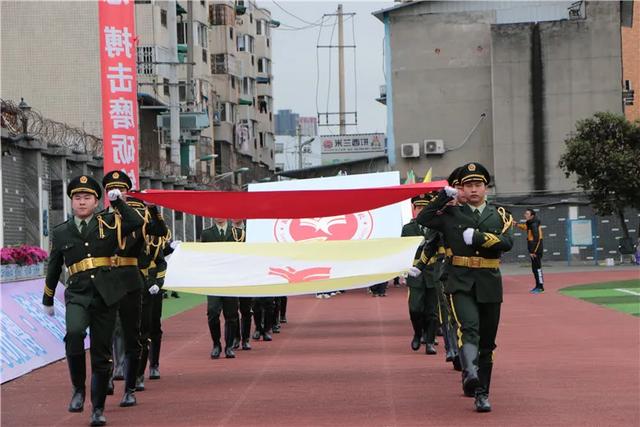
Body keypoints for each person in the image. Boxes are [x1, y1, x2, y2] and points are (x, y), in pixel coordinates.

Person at [41, 175, 144, 426]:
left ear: (97, 201)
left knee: (101, 353)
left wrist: (119, 203)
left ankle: (97, 408)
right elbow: (54, 267)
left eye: (87, 197)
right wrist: (48, 298)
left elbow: (136, 222)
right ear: (71, 202)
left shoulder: (109, 222)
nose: (82, 202)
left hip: (106, 295)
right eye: (77, 198)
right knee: (74, 334)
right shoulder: (61, 231)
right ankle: (78, 388)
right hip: (77, 293)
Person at [417, 162, 514, 413]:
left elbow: (507, 242)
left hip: (489, 281)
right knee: (468, 327)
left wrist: (480, 238)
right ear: (460, 189)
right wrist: (442, 197)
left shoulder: (500, 214)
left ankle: (483, 390)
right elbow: (425, 218)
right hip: (459, 280)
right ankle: (472, 376)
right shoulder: (450, 214)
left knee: (488, 342)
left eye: (478, 185)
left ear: (486, 188)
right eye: (468, 185)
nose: (473, 190)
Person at [102, 171, 168, 407]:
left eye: (121, 190)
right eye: (111, 189)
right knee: (107, 331)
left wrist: (152, 209)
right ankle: (108, 375)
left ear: (128, 193)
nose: (117, 193)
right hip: (108, 280)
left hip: (132, 279)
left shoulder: (139, 220)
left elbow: (160, 232)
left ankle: (132, 383)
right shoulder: (101, 219)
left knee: (135, 332)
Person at [405, 193, 439, 355]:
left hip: (432, 272)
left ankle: (430, 342)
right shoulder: (408, 228)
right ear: (414, 209)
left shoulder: (436, 227)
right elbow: (402, 251)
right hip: (415, 273)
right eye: (418, 207)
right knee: (415, 308)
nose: (421, 210)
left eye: (424, 207)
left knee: (432, 310)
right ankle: (418, 333)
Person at [201, 218, 240, 358]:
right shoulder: (207, 234)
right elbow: (203, 257)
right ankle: (216, 344)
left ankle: (229, 346)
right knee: (212, 312)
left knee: (231, 314)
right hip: (214, 279)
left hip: (231, 279)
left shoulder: (238, 233)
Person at [230, 219, 253, 350]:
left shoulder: (251, 232)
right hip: (232, 276)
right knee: (232, 310)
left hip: (247, 275)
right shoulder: (227, 232)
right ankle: (235, 337)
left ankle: (245, 338)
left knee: (246, 309)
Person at [516, 209, 544, 293]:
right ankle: (537, 286)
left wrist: (533, 252)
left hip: (536, 251)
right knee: (534, 268)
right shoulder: (531, 223)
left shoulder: (534, 224)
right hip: (533, 250)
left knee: (537, 268)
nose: (525, 215)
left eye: (527, 214)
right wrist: (516, 224)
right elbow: (526, 227)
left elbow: (537, 239)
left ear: (532, 216)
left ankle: (541, 287)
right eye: (525, 213)